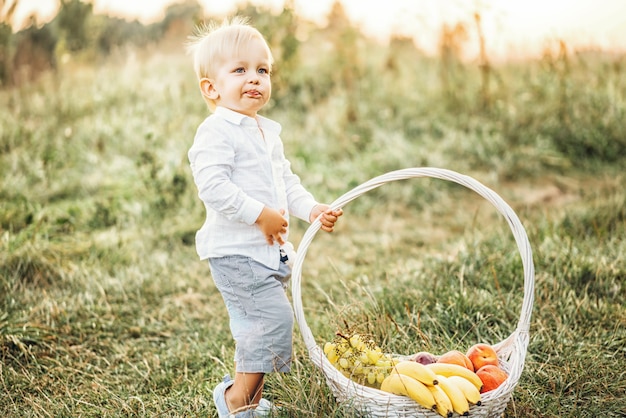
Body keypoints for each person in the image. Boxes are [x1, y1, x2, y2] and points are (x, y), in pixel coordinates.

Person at [185, 17, 343, 417]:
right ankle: (237, 400)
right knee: (270, 320)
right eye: (239, 70)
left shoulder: (263, 131)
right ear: (211, 87)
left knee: (264, 325)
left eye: (262, 70)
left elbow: (285, 181)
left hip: (265, 252)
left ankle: (248, 400)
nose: (254, 78)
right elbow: (213, 187)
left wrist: (312, 209)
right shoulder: (216, 131)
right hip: (236, 253)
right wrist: (259, 215)